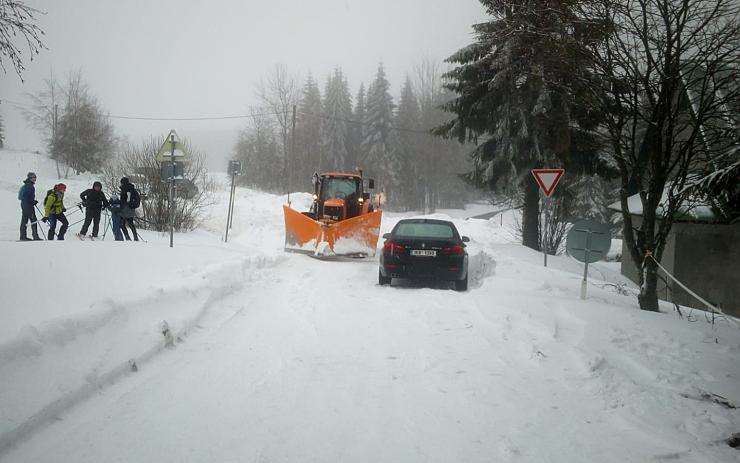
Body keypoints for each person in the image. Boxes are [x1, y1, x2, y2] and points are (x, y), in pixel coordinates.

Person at [18, 172, 42, 241]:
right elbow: (27, 197)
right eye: (33, 177)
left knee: (24, 220)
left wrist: (32, 201)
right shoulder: (30, 186)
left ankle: (23, 236)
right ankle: (35, 236)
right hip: (28, 206)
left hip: (24, 205)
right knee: (33, 220)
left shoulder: (27, 185)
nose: (35, 179)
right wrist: (33, 202)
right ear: (29, 178)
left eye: (35, 177)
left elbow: (26, 197)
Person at [119, 177, 139, 241]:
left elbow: (127, 199)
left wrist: (123, 204)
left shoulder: (126, 189)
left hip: (126, 208)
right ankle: (135, 237)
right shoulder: (131, 188)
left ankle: (128, 238)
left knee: (122, 224)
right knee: (130, 223)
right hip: (131, 208)